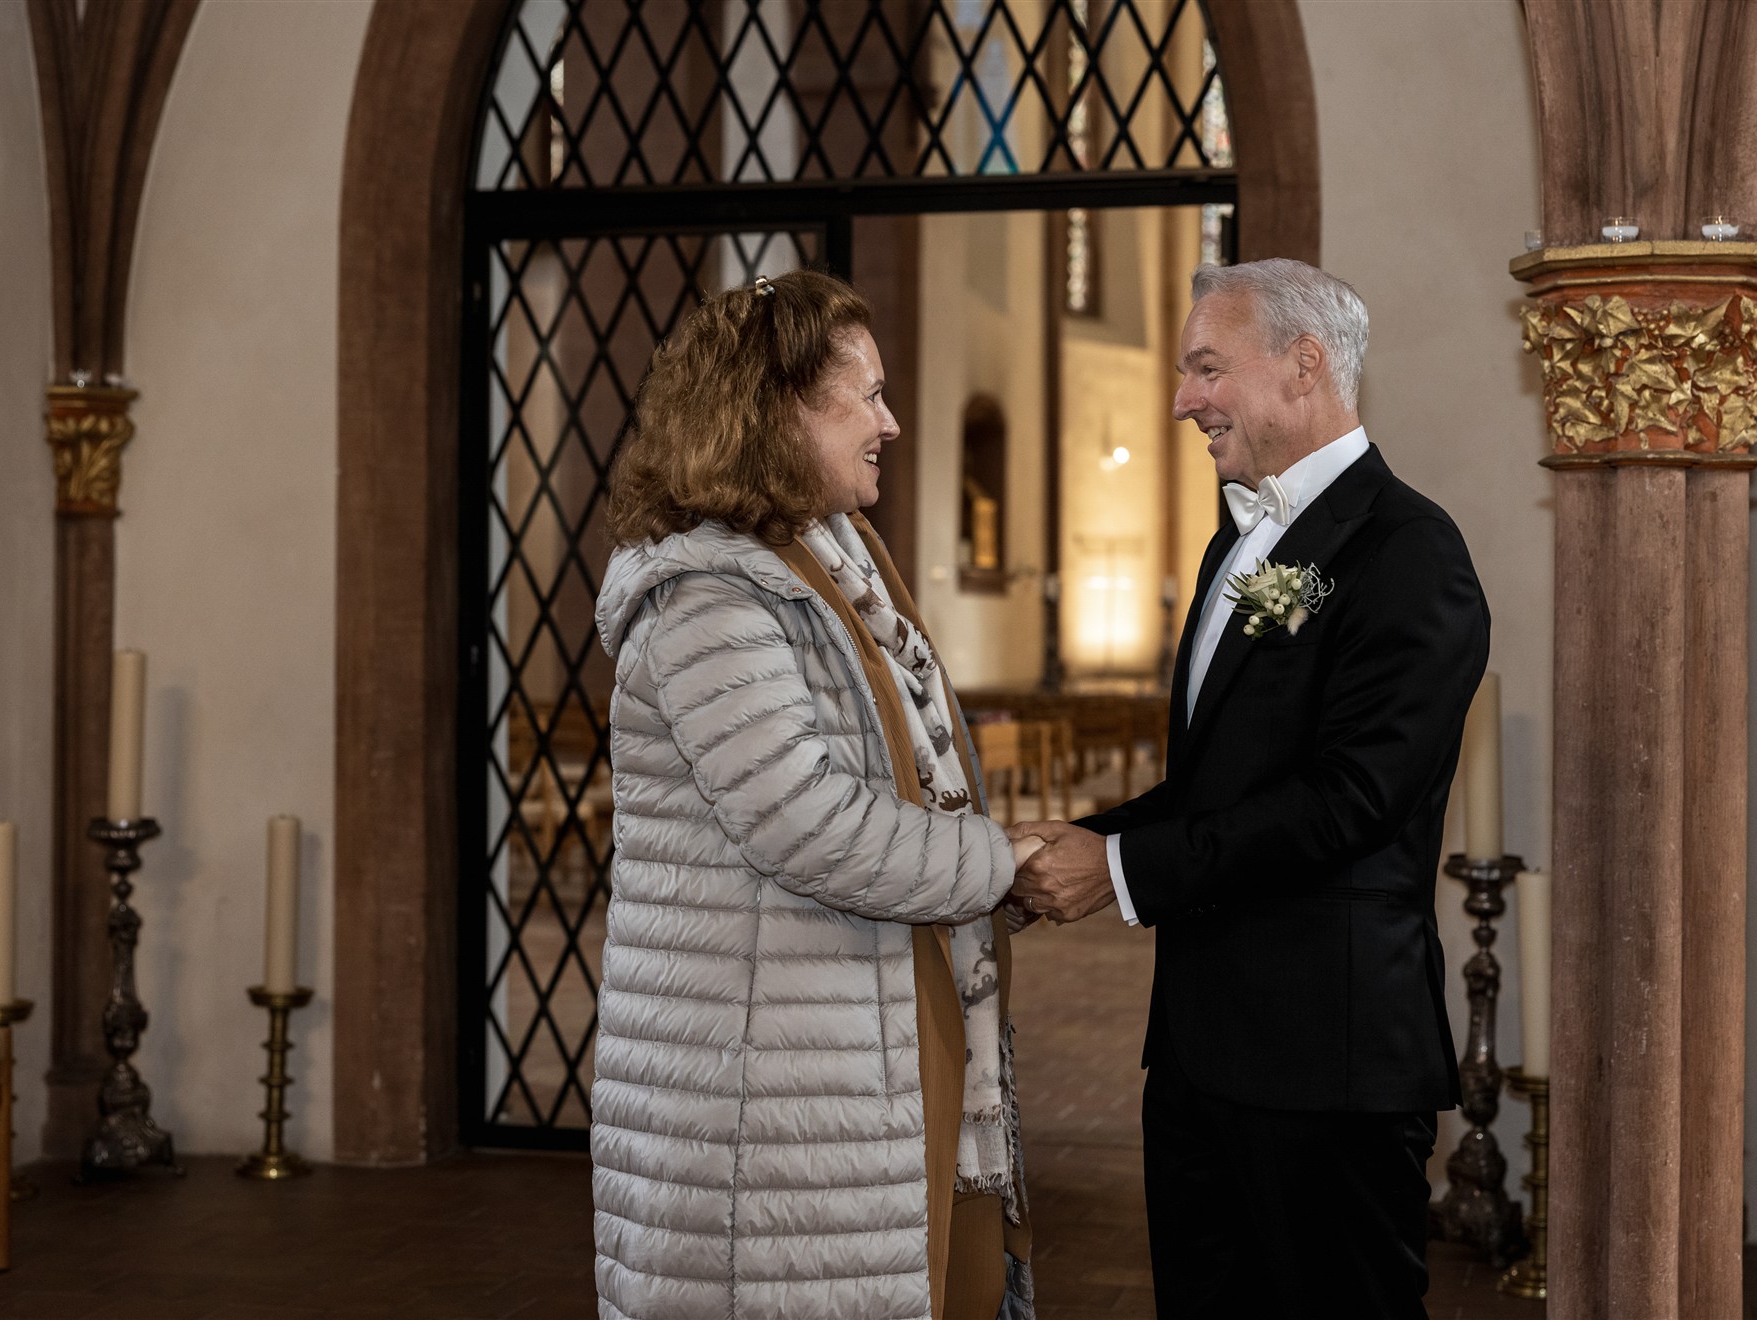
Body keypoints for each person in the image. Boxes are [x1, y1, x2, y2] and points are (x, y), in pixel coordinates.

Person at [1009, 258, 1488, 1318]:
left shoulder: (1409, 552)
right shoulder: (1248, 538)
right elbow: (1221, 783)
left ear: (1303, 367)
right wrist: (1079, 838)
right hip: (1201, 1052)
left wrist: (1121, 869)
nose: (1184, 398)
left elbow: (1348, 800)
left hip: (1329, 1066)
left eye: (1206, 368)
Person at [592, 269, 1038, 1320]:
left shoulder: (831, 562)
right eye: (867, 394)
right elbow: (810, 824)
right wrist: (1005, 861)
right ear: (779, 406)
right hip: (763, 1093)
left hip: (836, 1050)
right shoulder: (709, 594)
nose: (891, 420)